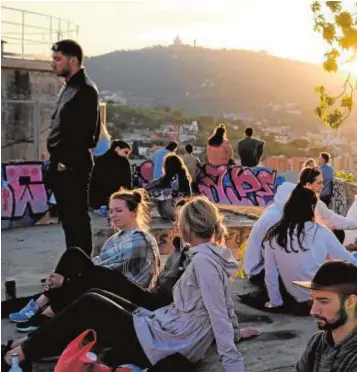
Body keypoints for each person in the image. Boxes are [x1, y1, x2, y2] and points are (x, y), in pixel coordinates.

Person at [5, 197, 257, 371]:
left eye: (179, 222)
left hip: (163, 343)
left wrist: (234, 362)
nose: (176, 226)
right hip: (162, 329)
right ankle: (26, 347)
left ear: (189, 227)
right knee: (95, 294)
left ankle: (19, 354)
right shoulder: (213, 256)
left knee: (91, 304)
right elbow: (224, 304)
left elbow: (218, 313)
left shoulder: (204, 263)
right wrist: (236, 333)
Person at [9, 189, 160, 332]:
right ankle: (45, 310)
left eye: (119, 211)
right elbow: (97, 265)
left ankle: (42, 307)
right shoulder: (116, 238)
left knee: (76, 260)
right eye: (111, 210)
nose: (113, 215)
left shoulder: (139, 239)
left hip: (131, 296)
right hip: (111, 284)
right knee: (75, 259)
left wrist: (67, 280)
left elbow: (104, 270)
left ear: (133, 212)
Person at [262, 186, 357, 315]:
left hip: (297, 299)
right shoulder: (320, 231)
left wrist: (276, 302)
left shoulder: (275, 234)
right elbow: (348, 259)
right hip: (323, 295)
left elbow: (270, 274)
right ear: (312, 207)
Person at [46, 39, 100, 255]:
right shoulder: (69, 88)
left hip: (72, 168)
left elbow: (88, 134)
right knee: (69, 222)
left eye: (58, 59)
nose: (53, 64)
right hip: (62, 167)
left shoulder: (85, 89)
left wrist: (65, 163)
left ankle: (81, 270)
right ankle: (72, 269)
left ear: (73, 60)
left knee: (77, 222)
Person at [294, 260, 357, 372]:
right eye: (313, 300)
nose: (313, 311)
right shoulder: (317, 341)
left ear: (350, 302)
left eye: (323, 301)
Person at [146, 154, 192, 220]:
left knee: (155, 195)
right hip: (180, 211)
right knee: (153, 194)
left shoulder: (178, 178)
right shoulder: (179, 175)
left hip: (178, 211)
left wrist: (148, 193)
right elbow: (156, 183)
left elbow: (174, 193)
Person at [89, 140, 132, 210]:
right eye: (126, 152)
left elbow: (92, 183)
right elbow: (128, 182)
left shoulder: (98, 161)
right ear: (117, 148)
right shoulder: (124, 162)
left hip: (98, 203)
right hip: (118, 202)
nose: (126, 155)